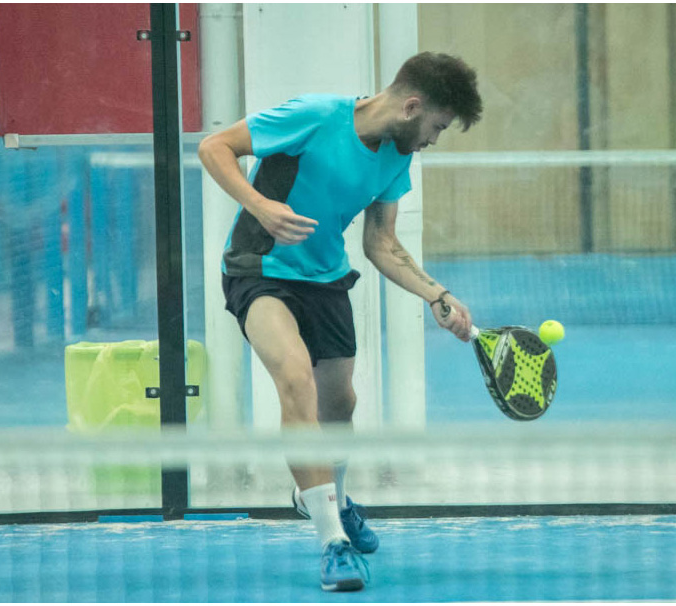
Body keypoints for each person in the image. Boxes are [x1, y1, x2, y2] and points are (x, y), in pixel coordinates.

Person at [198, 52, 483, 592]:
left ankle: (335, 499)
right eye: (437, 127)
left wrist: (436, 295)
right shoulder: (313, 116)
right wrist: (259, 205)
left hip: (326, 279)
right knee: (295, 381)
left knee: (340, 404)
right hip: (260, 269)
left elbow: (381, 242)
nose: (433, 139)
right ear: (412, 106)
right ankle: (332, 541)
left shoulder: (396, 159)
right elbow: (215, 147)